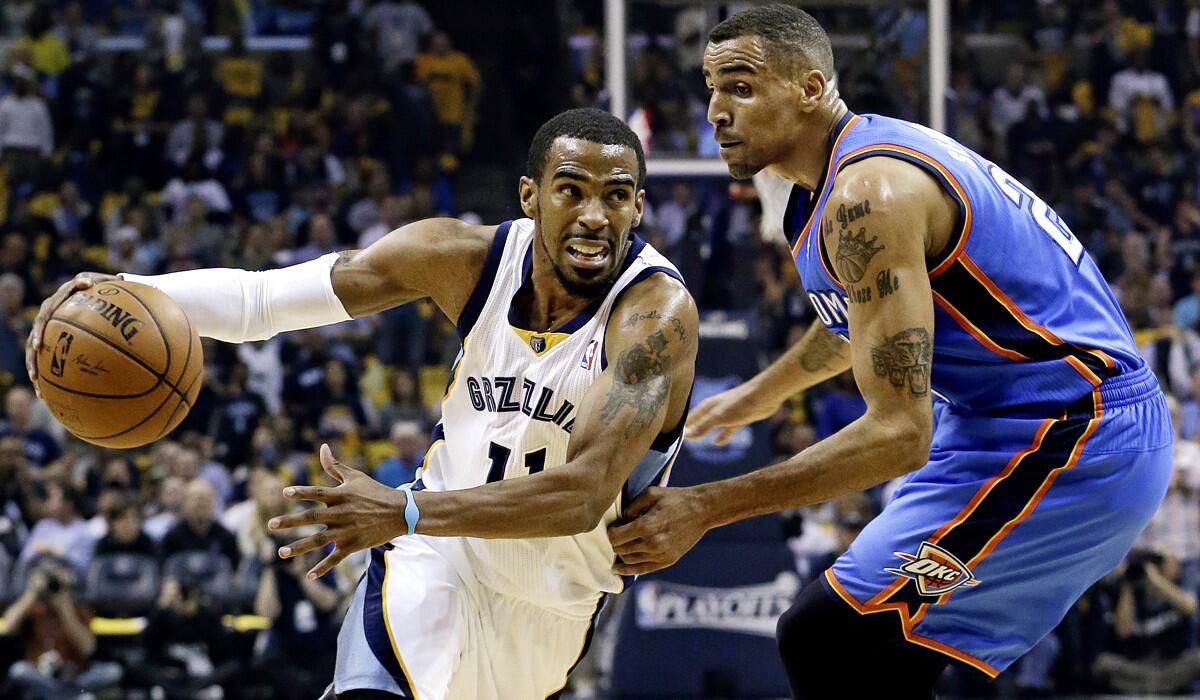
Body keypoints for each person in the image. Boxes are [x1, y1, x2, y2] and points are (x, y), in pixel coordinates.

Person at [26, 108, 698, 700]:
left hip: (555, 606)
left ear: (638, 207)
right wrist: (120, 289)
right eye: (571, 191)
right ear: (530, 196)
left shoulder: (653, 317)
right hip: (437, 557)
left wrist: (405, 508)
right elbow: (266, 301)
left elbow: (582, 496)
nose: (593, 215)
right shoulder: (462, 258)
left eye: (616, 196)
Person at [607, 6, 1172, 698]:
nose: (716, 110)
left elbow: (900, 435)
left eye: (741, 88)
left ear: (811, 88)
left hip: (1079, 435)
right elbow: (858, 320)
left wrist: (704, 507)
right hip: (1000, 428)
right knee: (869, 654)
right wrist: (764, 394)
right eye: (711, 89)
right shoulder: (820, 189)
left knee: (831, 636)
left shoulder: (870, 194)